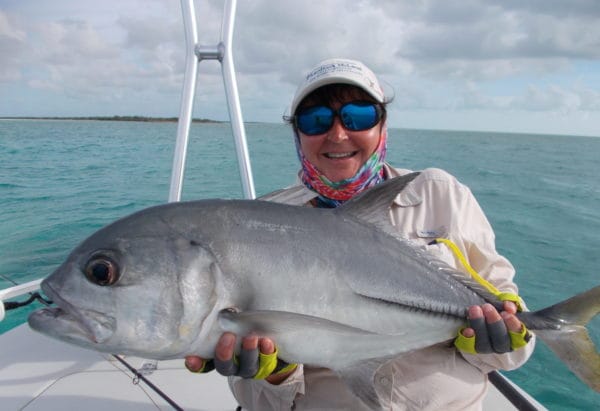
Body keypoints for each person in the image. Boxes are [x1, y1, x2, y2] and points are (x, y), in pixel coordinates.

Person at [184, 58, 535, 410]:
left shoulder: (440, 194)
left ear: (382, 125)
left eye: (359, 116)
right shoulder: (261, 224)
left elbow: (515, 338)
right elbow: (260, 398)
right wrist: (276, 373)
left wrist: (504, 340)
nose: (337, 134)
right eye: (316, 120)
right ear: (297, 134)